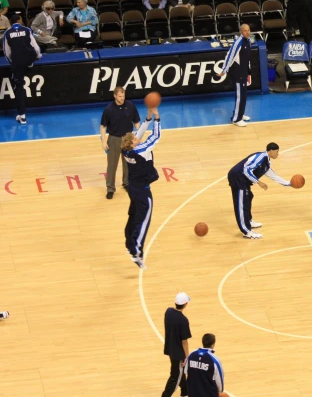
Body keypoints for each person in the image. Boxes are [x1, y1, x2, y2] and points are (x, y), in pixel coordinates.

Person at [121, 106, 161, 270]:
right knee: (144, 219)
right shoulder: (142, 150)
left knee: (134, 215)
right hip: (142, 191)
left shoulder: (127, 150)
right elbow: (156, 137)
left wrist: (147, 118)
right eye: (136, 139)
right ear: (133, 143)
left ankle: (130, 243)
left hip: (132, 187)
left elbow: (138, 135)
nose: (138, 138)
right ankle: (137, 251)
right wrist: (157, 119)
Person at [226, 143, 291, 239]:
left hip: (243, 180)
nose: (278, 154)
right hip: (237, 177)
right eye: (277, 151)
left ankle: (248, 220)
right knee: (241, 203)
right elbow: (246, 170)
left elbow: (273, 176)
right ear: (271, 151)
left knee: (249, 197)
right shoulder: (259, 158)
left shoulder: (266, 162)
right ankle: (246, 231)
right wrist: (259, 182)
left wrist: (289, 183)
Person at [99, 86, 140, 200]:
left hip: (128, 138)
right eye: (120, 96)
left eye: (123, 96)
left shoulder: (130, 106)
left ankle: (127, 183)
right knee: (112, 165)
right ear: (115, 96)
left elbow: (136, 122)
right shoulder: (109, 109)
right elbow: (103, 126)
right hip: (114, 139)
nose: (122, 98)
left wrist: (138, 136)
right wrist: (103, 140)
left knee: (128, 162)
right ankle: (110, 189)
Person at [2, 14, 40, 125]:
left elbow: (7, 52)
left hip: (17, 63)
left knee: (18, 88)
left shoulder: (7, 33)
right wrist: (37, 58)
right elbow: (35, 46)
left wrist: (13, 63)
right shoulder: (27, 30)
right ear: (20, 20)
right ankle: (29, 64)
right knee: (29, 58)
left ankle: (22, 116)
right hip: (29, 59)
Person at [218, 24, 253, 127]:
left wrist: (249, 71)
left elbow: (247, 58)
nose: (248, 32)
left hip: (244, 72)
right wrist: (224, 70)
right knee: (240, 96)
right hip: (237, 73)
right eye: (245, 31)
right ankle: (236, 119)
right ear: (241, 32)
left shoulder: (248, 41)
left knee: (244, 96)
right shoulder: (238, 42)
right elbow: (230, 56)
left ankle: (240, 114)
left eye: (249, 30)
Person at [161, 292, 191, 397]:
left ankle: (185, 391)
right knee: (175, 376)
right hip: (178, 353)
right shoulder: (183, 320)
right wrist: (187, 357)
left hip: (170, 348)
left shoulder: (168, 312)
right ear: (185, 304)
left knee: (180, 372)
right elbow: (184, 341)